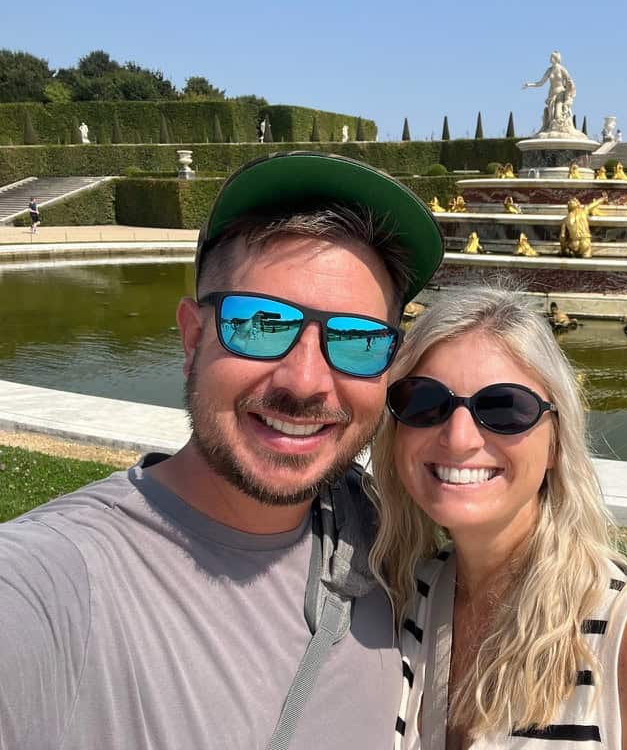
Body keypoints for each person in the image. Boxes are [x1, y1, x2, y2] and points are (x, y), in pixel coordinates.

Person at [0, 152, 445, 749]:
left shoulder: (386, 536)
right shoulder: (56, 582)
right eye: (261, 323)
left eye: (358, 339)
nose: (306, 381)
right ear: (192, 338)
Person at [370, 286, 627, 749]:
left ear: (556, 443)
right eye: (424, 402)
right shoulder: (401, 598)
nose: (459, 438)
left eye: (504, 408)